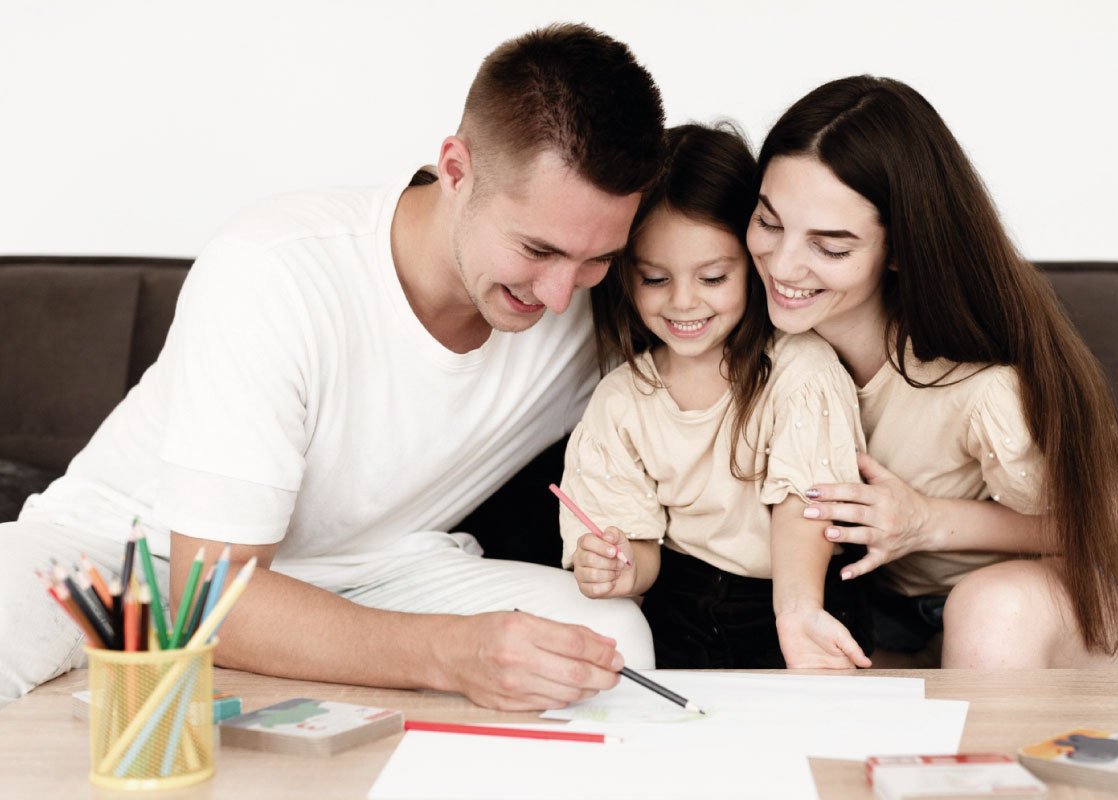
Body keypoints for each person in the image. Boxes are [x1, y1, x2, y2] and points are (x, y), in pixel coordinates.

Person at [0, 23, 667, 710]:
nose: (560, 296)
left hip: (377, 573)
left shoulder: (606, 309)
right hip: (137, 561)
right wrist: (448, 655)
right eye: (538, 249)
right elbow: (209, 592)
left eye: (597, 259)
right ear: (457, 171)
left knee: (606, 640)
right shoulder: (276, 268)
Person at [746, 75, 1118, 668]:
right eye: (768, 222)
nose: (782, 263)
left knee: (986, 610)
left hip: (1062, 589)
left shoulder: (978, 385)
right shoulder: (759, 337)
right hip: (897, 608)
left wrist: (926, 522)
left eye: (831, 247)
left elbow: (1102, 520)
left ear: (897, 249)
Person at [558, 124, 872, 669]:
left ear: (753, 265)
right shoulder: (621, 399)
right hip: (679, 602)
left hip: (798, 594)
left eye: (712, 277)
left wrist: (796, 611)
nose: (683, 303)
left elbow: (808, 506)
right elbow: (641, 549)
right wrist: (618, 565)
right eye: (655, 279)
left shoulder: (799, 370)